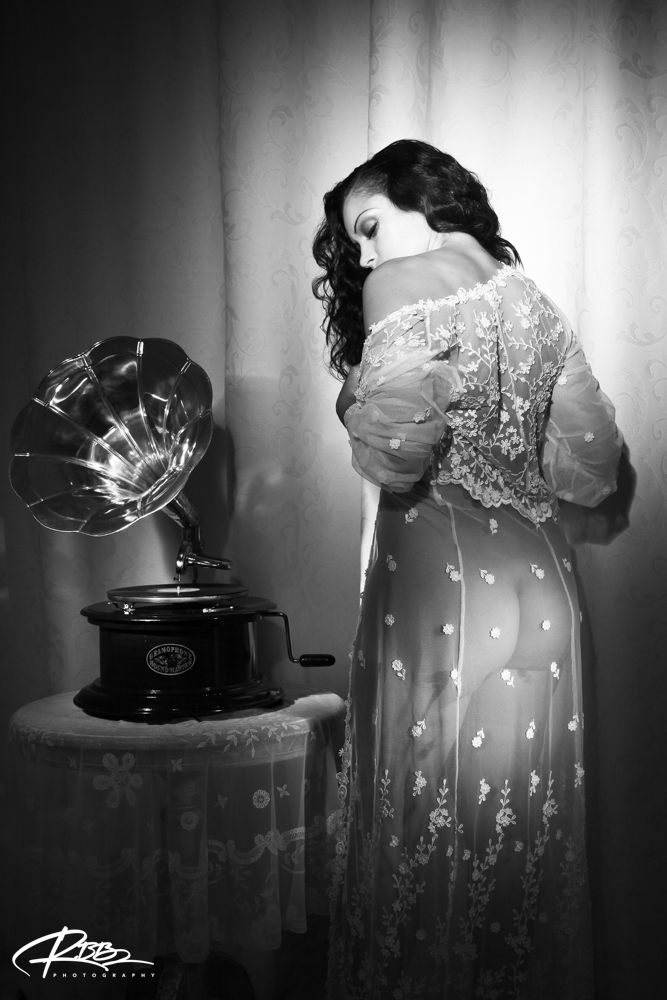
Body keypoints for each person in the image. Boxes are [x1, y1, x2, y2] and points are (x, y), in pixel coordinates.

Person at [312, 140, 623, 1000]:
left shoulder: (399, 283)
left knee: (415, 839)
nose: (365, 256)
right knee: (520, 841)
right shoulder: (535, 303)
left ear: (421, 196)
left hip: (444, 590)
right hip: (546, 587)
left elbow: (393, 458)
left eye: (369, 226)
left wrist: (353, 392)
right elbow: (590, 472)